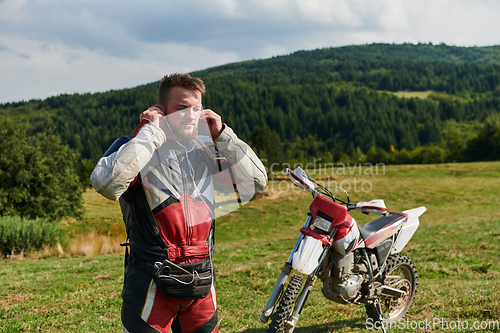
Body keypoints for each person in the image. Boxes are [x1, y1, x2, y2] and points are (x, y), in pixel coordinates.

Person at [90, 73, 268, 333]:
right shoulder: (134, 146)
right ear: (161, 110)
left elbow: (257, 181)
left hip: (202, 279)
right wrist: (149, 133)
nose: (191, 116)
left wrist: (224, 136)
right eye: (182, 108)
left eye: (196, 108)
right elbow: (107, 184)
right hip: (151, 281)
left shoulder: (208, 149)